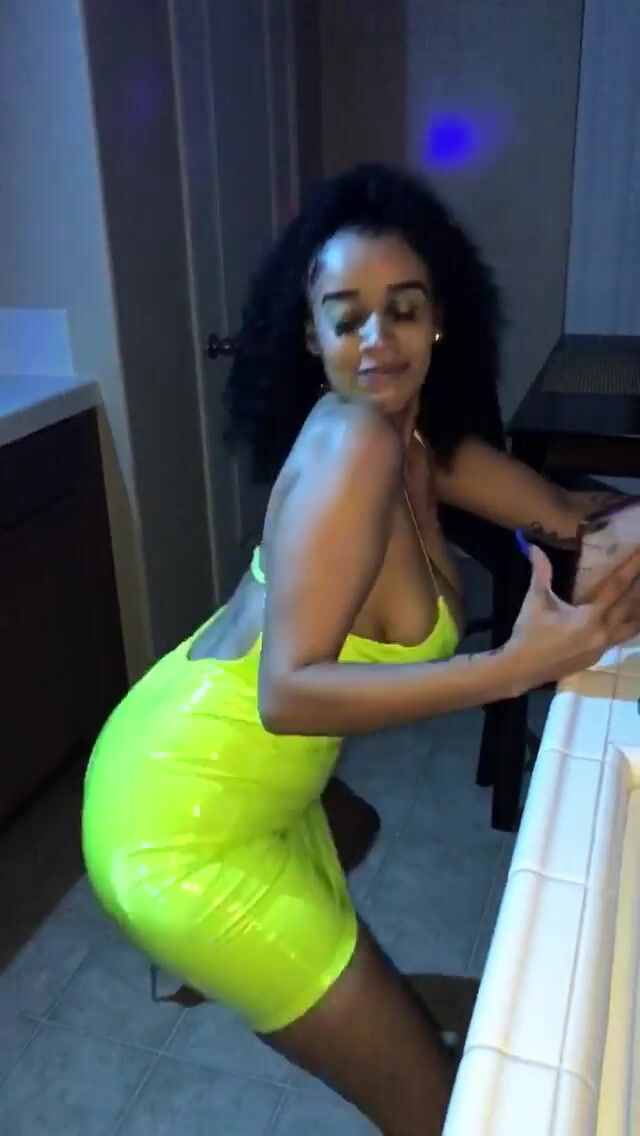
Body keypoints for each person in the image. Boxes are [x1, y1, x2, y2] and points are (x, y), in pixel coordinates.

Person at [82, 163, 640, 1135]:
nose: (378, 339)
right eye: (348, 319)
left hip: (189, 750)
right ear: (312, 335)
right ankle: (274, 982)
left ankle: (355, 1008)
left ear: (438, 321)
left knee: (355, 840)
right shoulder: (355, 447)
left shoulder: (414, 439)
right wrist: (513, 666)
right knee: (439, 1114)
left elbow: (567, 513)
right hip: (177, 826)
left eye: (403, 310)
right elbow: (287, 695)